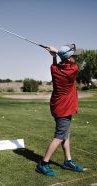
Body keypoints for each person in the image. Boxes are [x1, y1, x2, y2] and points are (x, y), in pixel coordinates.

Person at [36, 44, 84, 176]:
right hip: (64, 108)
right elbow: (68, 63)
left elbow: (56, 65)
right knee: (59, 136)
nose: (76, 57)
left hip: (59, 106)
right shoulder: (72, 70)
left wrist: (54, 57)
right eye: (74, 56)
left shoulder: (54, 68)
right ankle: (43, 163)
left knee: (65, 134)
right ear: (68, 59)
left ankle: (68, 160)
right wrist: (56, 52)